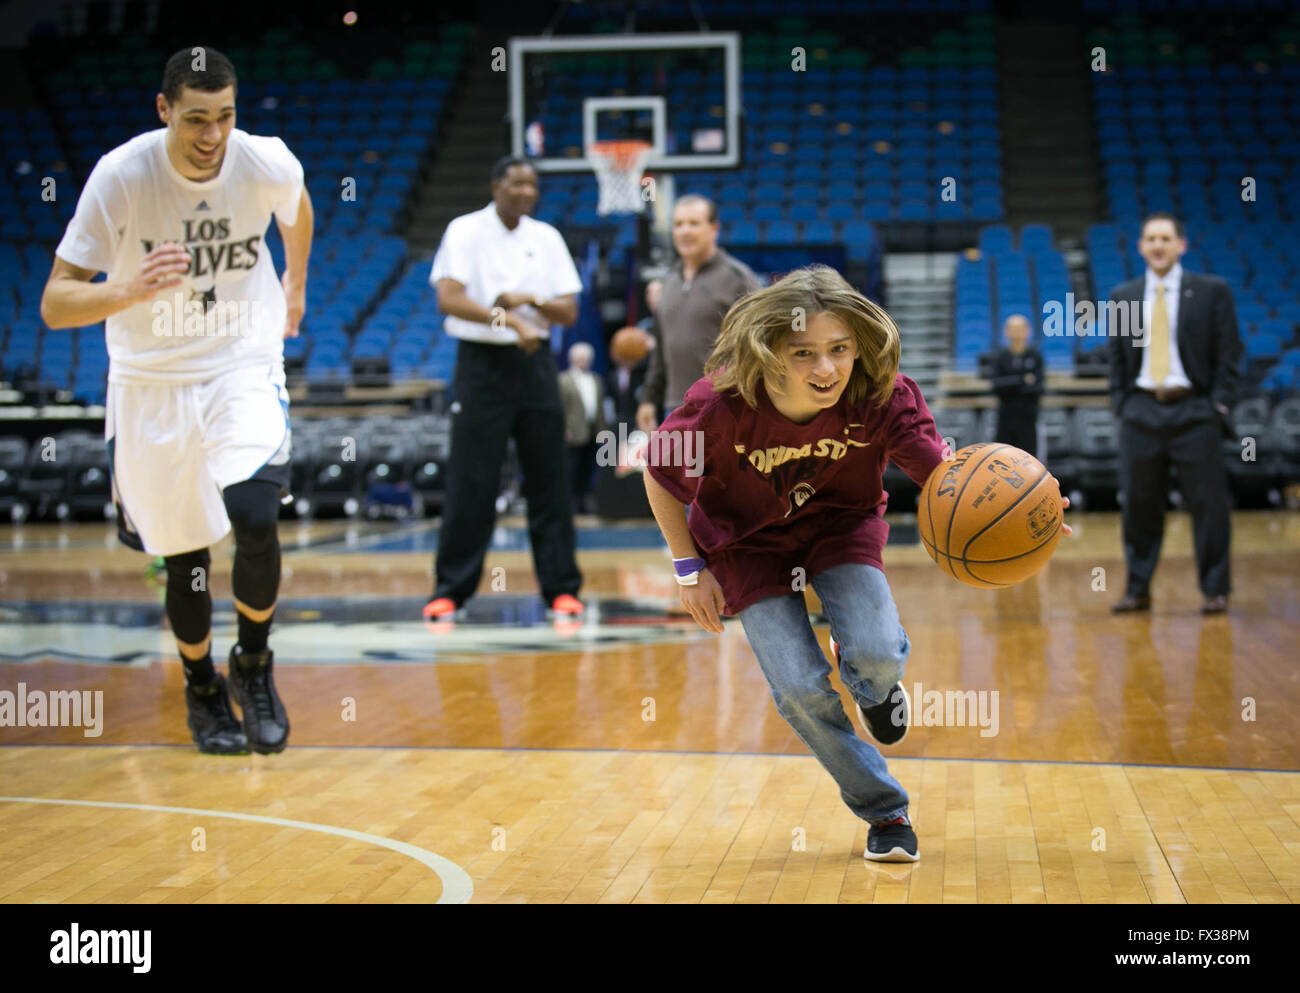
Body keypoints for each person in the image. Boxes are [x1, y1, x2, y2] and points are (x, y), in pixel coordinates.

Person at [644, 265, 1073, 861]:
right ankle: (884, 808)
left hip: (840, 530)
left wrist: (1027, 510)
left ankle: (872, 683)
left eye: (839, 349)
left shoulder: (880, 393)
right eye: (804, 353)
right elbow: (660, 475)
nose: (826, 369)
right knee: (798, 690)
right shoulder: (717, 405)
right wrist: (689, 570)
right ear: (769, 351)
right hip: (745, 547)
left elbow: (948, 480)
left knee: (874, 651)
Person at [40, 46, 311, 754]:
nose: (212, 135)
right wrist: (127, 289)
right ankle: (200, 686)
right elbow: (55, 301)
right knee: (185, 555)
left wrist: (296, 284)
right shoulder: (122, 177)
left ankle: (253, 663)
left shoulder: (264, 160)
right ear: (164, 110)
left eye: (224, 116)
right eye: (195, 119)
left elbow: (298, 206)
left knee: (256, 515)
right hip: (150, 377)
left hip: (240, 361)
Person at [424, 156, 584, 620]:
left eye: (532, 184)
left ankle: (561, 588)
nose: (526, 192)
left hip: (535, 365)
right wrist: (506, 319)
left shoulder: (546, 237)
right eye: (517, 183)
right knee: (471, 480)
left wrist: (528, 301)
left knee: (549, 479)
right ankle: (451, 589)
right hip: (480, 365)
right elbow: (448, 298)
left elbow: (568, 312)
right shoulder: (464, 230)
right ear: (496, 185)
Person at [1107, 212, 1242, 616]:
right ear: (1141, 247)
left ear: (1181, 245)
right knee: (1139, 506)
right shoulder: (1123, 297)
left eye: (1166, 238)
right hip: (1142, 411)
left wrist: (1217, 404)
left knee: (1209, 506)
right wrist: (1123, 404)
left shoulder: (1212, 291)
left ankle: (1216, 589)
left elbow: (1230, 354)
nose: (1158, 245)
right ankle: (1138, 589)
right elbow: (1116, 359)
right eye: (1151, 238)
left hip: (1195, 410)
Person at [636, 194, 761, 433]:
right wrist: (648, 399)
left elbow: (760, 348)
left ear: (714, 228)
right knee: (678, 471)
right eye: (679, 224)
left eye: (693, 223)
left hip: (725, 408)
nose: (684, 231)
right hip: (674, 408)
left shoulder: (738, 279)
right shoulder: (669, 280)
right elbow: (662, 349)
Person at [558, 341, 607, 512]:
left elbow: (600, 407)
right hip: (573, 433)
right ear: (571, 359)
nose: (582, 362)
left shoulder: (596, 379)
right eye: (579, 358)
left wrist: (603, 431)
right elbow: (561, 408)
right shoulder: (563, 380)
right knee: (572, 468)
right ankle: (570, 503)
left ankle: (584, 501)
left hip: (593, 431)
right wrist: (564, 429)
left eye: (585, 359)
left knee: (589, 467)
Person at [988, 314, 1044, 455]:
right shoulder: (1000, 357)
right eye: (1013, 329)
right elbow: (996, 386)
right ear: (1006, 331)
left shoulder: (1035, 357)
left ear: (1028, 331)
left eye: (1020, 328)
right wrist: (1021, 380)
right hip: (1005, 418)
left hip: (1028, 419)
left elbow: (1038, 387)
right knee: (1003, 459)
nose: (1017, 332)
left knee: (1029, 460)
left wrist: (1010, 384)